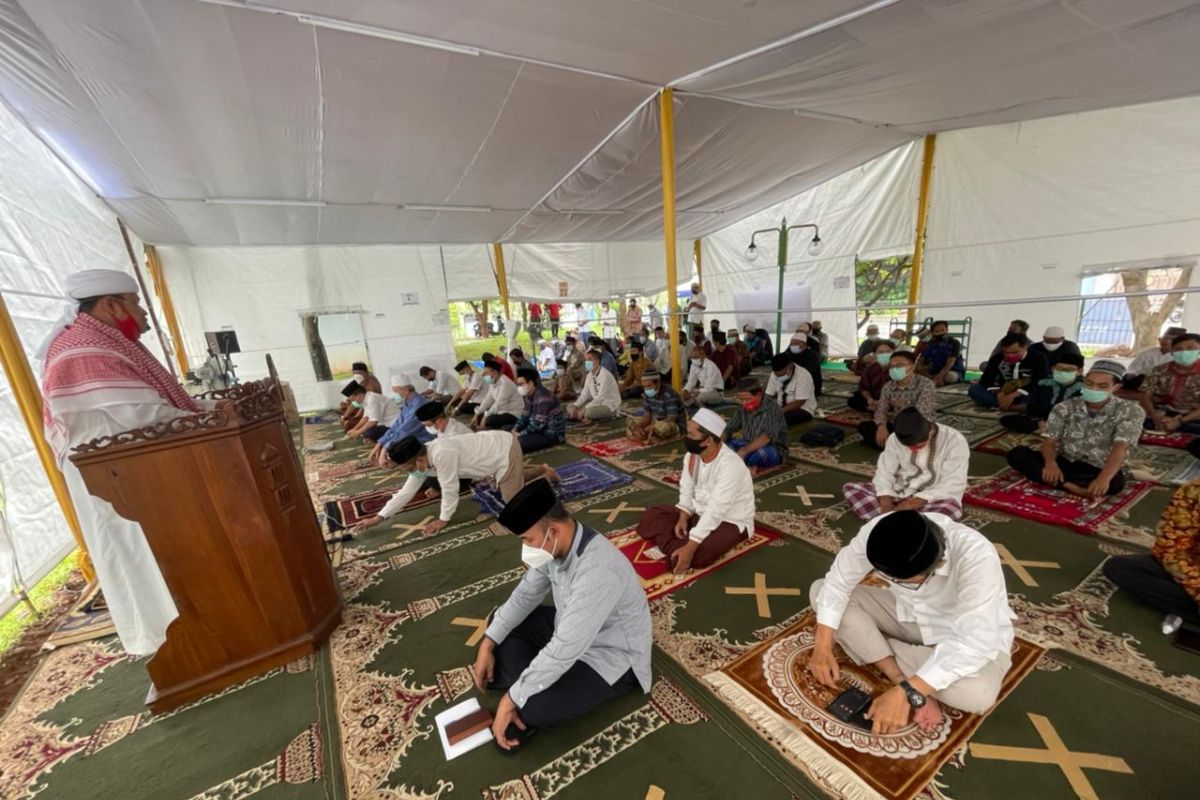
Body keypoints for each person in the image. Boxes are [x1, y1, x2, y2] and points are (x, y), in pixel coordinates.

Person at [39, 269, 220, 655]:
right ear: (110, 304)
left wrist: (208, 407)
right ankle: (170, 637)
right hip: (114, 479)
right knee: (139, 552)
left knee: (157, 549)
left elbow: (161, 406)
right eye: (136, 302)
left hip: (132, 468)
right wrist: (212, 415)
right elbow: (145, 416)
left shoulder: (102, 342)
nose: (143, 313)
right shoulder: (85, 350)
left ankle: (197, 622)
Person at [472, 479, 652, 752]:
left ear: (552, 530)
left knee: (533, 707)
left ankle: (528, 684)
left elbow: (566, 648)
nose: (526, 549)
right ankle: (533, 679)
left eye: (528, 540)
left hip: (611, 654)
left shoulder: (599, 571)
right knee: (498, 624)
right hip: (569, 626)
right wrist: (487, 643)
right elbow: (525, 596)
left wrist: (511, 699)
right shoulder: (555, 546)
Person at [809, 510, 1016, 732]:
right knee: (819, 590)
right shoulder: (880, 531)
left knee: (978, 694)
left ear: (938, 564)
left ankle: (872, 643)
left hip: (962, 632)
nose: (895, 582)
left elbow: (972, 642)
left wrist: (908, 694)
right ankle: (898, 672)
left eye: (907, 582)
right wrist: (822, 646)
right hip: (908, 614)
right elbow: (837, 583)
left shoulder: (976, 556)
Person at [353, 432, 558, 536]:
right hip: (490, 458)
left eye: (409, 468)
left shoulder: (442, 454)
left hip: (503, 449)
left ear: (419, 459)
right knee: (501, 485)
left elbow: (450, 488)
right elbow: (406, 492)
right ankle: (544, 470)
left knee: (512, 502)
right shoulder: (421, 461)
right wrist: (379, 518)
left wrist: (443, 519)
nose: (411, 473)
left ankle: (546, 481)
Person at [635, 409, 755, 574]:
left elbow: (716, 509)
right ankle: (679, 546)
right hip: (698, 513)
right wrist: (683, 517)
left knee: (699, 555)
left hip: (729, 521)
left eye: (691, 435)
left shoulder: (731, 466)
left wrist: (691, 547)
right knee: (653, 515)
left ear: (709, 441)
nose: (686, 438)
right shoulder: (693, 456)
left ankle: (681, 547)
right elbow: (686, 488)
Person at [1006, 360, 1144, 497]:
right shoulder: (1065, 407)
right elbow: (1050, 442)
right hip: (1065, 460)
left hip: (1098, 465)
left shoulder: (1130, 410)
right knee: (1017, 454)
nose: (1094, 389)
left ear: (1116, 387)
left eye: (1102, 386)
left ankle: (1061, 482)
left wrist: (1103, 478)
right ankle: (1071, 487)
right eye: (1089, 384)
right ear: (1084, 381)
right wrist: (1051, 463)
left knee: (1115, 483)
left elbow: (1121, 447)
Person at [1103, 480, 1200, 631]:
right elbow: (1170, 548)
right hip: (1192, 567)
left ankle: (1185, 609)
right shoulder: (1194, 490)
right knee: (1120, 568)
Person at [843, 408, 970, 520]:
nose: (912, 450)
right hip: (900, 490)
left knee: (950, 510)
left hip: (934, 497)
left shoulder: (954, 441)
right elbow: (884, 471)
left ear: (930, 433)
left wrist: (911, 504)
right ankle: (912, 522)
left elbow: (953, 482)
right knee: (850, 488)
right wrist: (885, 501)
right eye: (908, 447)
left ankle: (893, 519)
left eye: (918, 446)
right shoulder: (894, 438)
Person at [858, 351, 936, 450]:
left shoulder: (926, 384)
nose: (894, 369)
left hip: (919, 424)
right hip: (896, 423)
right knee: (864, 427)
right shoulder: (888, 386)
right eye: (891, 366)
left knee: (914, 432)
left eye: (899, 365)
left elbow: (922, 412)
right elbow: (881, 409)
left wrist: (904, 406)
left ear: (912, 366)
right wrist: (881, 426)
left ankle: (893, 445)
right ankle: (900, 445)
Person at [999, 350, 1085, 433]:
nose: (1063, 372)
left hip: (1068, 422)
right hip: (1043, 419)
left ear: (1079, 372)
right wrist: (1039, 420)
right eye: (1059, 368)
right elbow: (1033, 407)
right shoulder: (1044, 384)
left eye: (1069, 370)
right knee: (1006, 420)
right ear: (1053, 369)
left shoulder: (1084, 389)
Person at [969, 333, 1049, 410]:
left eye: (1015, 352)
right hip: (1003, 391)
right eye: (1006, 353)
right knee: (975, 389)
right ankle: (1015, 407)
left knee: (1045, 394)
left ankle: (1003, 406)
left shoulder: (1039, 358)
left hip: (1025, 392)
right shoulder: (998, 358)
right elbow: (986, 379)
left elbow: (1040, 380)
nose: (1010, 355)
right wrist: (998, 393)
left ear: (1025, 347)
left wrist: (1015, 394)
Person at [1140, 333, 1200, 434]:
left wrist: (1179, 421)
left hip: (1193, 416)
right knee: (1133, 421)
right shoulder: (1159, 370)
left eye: (1190, 348)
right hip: (1162, 413)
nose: (1184, 352)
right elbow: (1144, 396)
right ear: (1172, 352)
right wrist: (1154, 415)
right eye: (1178, 349)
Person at [724, 378, 789, 470]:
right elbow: (729, 428)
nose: (744, 403)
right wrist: (717, 442)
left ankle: (744, 462)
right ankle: (742, 461)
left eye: (747, 399)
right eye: (741, 400)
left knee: (757, 456)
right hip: (748, 443)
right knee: (724, 447)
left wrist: (744, 451)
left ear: (759, 395)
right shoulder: (742, 407)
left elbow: (766, 437)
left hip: (771, 448)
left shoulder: (773, 409)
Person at [513, 367, 566, 453]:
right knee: (507, 430)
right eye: (518, 385)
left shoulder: (544, 397)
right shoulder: (528, 395)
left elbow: (539, 424)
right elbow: (524, 415)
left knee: (519, 443)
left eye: (521, 384)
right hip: (537, 430)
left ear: (530, 383)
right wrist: (515, 429)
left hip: (550, 435)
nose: (519, 387)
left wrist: (520, 434)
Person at [627, 368, 684, 444]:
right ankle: (648, 435)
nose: (646, 389)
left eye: (649, 385)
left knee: (663, 428)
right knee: (630, 420)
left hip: (672, 424)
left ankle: (653, 435)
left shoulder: (669, 394)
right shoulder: (647, 393)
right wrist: (639, 427)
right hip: (655, 421)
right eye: (644, 386)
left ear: (658, 383)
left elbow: (671, 419)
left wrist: (647, 429)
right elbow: (647, 416)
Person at [568, 348, 622, 423]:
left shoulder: (605, 375)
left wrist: (585, 409)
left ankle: (587, 416)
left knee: (589, 412)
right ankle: (586, 416)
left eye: (590, 359)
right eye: (586, 360)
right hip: (595, 403)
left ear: (597, 361)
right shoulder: (589, 375)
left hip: (609, 405)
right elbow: (585, 394)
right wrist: (576, 406)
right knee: (571, 406)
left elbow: (601, 398)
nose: (587, 362)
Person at [766, 353, 817, 425]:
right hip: (781, 407)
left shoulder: (803, 375)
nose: (779, 377)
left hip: (802, 409)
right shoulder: (774, 374)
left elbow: (799, 402)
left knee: (777, 419)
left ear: (790, 366)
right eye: (777, 375)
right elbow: (768, 395)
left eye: (781, 375)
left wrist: (778, 411)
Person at [474, 360, 525, 431]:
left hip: (513, 414)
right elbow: (488, 399)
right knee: (480, 415)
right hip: (501, 411)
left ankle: (489, 429)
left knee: (489, 419)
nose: (483, 375)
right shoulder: (493, 382)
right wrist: (478, 413)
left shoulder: (505, 383)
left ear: (494, 373)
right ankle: (486, 427)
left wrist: (485, 417)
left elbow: (499, 404)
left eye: (486, 373)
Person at [344, 377, 400, 441]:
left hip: (393, 425)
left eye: (353, 400)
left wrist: (358, 432)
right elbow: (365, 417)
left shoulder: (372, 399)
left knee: (368, 433)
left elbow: (373, 421)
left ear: (359, 395)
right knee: (365, 431)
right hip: (384, 423)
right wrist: (355, 429)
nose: (354, 402)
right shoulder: (366, 398)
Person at [848, 340, 894, 413]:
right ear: (875, 354)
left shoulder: (899, 368)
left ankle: (876, 408)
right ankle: (873, 408)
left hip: (892, 399)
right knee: (853, 400)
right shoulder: (871, 368)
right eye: (881, 352)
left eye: (888, 351)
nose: (885, 354)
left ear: (893, 353)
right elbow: (863, 387)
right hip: (874, 398)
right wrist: (869, 399)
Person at [915, 320, 965, 386]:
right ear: (932, 333)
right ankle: (934, 380)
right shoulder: (930, 345)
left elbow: (950, 362)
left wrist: (940, 376)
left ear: (947, 330)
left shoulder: (954, 343)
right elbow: (920, 360)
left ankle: (935, 380)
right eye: (937, 331)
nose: (941, 333)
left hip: (951, 371)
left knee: (950, 376)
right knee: (915, 372)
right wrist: (920, 368)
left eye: (943, 330)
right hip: (933, 372)